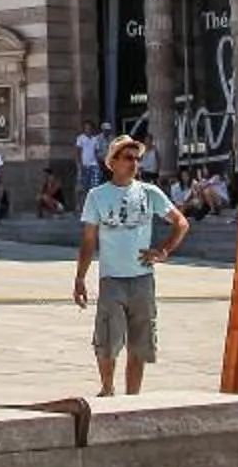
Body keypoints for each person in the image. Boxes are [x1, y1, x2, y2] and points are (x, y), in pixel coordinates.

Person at [74, 136, 188, 397]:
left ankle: (132, 398)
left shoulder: (149, 192)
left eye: (137, 159)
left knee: (139, 345)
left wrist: (163, 251)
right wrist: (80, 278)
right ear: (112, 162)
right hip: (111, 279)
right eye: (128, 158)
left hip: (142, 279)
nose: (134, 163)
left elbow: (181, 223)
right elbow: (89, 241)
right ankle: (107, 388)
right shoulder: (97, 196)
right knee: (107, 340)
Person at [73, 120, 107, 212]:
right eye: (86, 128)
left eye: (90, 128)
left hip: (94, 165)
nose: (88, 129)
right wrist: (79, 164)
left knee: (94, 186)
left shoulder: (95, 139)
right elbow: (77, 152)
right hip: (84, 165)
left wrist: (100, 164)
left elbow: (96, 152)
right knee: (81, 186)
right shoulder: (80, 138)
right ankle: (79, 205)